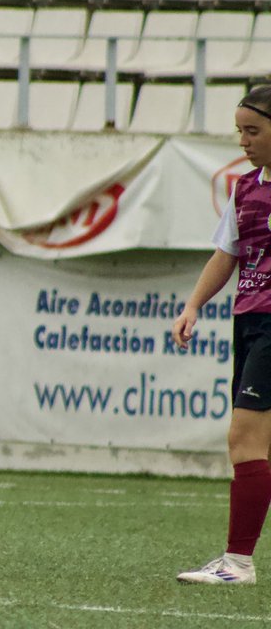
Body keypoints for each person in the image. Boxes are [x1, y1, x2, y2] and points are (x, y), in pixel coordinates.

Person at [174, 84, 271, 585]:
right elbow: (227, 253)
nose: (243, 141)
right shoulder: (246, 187)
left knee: (245, 436)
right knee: (255, 441)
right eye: (239, 130)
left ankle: (237, 563)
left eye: (253, 131)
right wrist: (194, 304)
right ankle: (237, 561)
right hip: (251, 319)